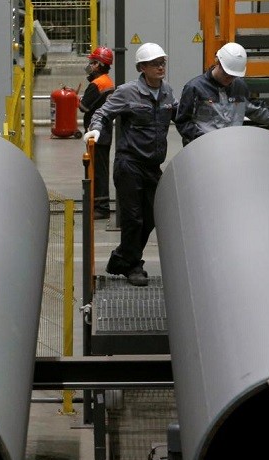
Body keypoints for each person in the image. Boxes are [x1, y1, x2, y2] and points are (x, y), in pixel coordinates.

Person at [83, 42, 177, 287]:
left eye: (162, 63)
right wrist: (96, 129)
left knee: (151, 217)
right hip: (129, 163)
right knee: (133, 218)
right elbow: (102, 113)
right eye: (154, 64)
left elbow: (180, 115)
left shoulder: (167, 92)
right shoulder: (127, 92)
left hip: (152, 165)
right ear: (142, 67)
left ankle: (121, 259)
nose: (160, 67)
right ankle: (134, 265)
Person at [174, 41, 269, 146]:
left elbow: (259, 111)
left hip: (233, 147)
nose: (230, 79)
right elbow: (183, 122)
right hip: (203, 150)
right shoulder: (194, 88)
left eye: (233, 76)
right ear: (218, 63)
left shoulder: (239, 86)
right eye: (227, 74)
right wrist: (205, 141)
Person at [79, 46, 115, 219]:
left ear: (99, 65)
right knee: (101, 169)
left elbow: (84, 107)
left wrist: (75, 98)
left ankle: (101, 207)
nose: (90, 66)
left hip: (96, 133)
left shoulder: (97, 84)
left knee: (98, 171)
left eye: (93, 63)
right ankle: (100, 204)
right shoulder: (107, 81)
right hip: (104, 131)